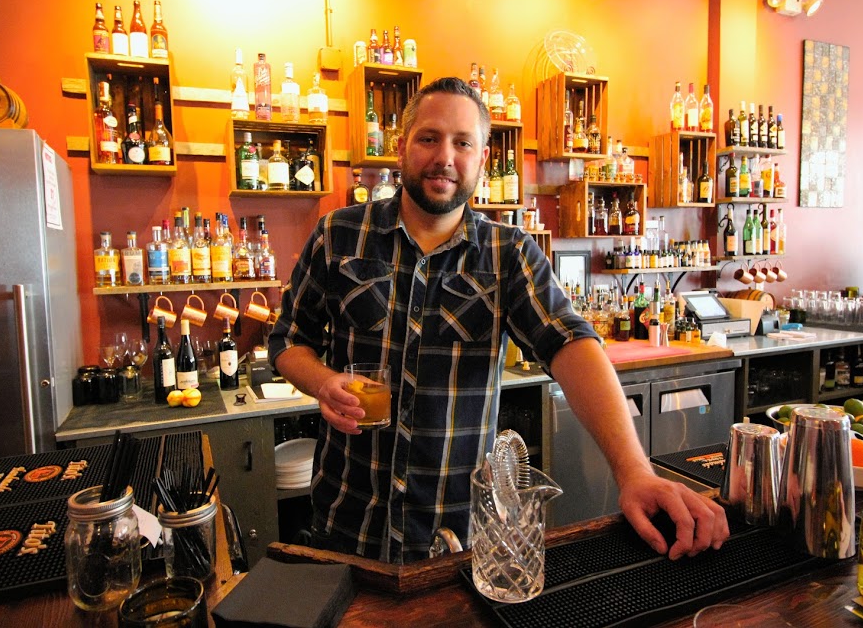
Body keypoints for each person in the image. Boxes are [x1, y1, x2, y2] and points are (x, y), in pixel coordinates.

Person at [269, 77, 729, 564]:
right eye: (429, 138)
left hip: (455, 536)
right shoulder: (339, 234)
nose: (445, 156)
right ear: (401, 147)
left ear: (482, 160)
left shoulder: (507, 253)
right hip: (348, 523)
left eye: (462, 142)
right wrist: (323, 382)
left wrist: (635, 471)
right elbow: (288, 341)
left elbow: (571, 345)